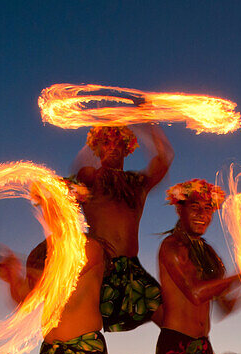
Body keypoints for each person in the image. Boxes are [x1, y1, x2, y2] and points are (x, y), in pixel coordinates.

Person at [0, 230, 108, 354]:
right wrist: (11, 275)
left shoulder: (88, 247)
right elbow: (26, 296)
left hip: (81, 350)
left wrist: (30, 271)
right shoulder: (42, 252)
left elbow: (60, 279)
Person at [74, 124, 173, 332]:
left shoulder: (136, 184)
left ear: (127, 148)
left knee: (172, 322)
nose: (112, 148)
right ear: (97, 149)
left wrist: (148, 122)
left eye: (118, 143)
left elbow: (164, 159)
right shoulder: (91, 179)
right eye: (106, 143)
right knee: (84, 324)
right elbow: (80, 169)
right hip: (99, 268)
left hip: (132, 270)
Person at [155, 179, 241, 354]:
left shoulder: (209, 254)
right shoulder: (172, 247)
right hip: (176, 345)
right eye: (195, 208)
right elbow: (195, 293)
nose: (202, 215)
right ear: (179, 208)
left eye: (208, 209)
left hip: (204, 347)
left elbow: (225, 306)